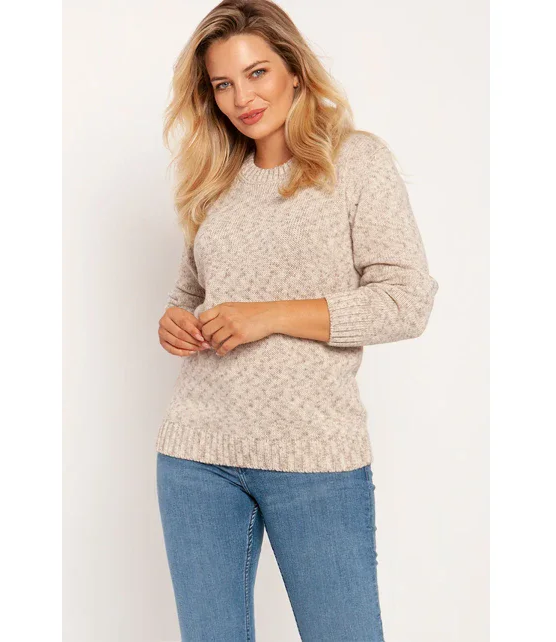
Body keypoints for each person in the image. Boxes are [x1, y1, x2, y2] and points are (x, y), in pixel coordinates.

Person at [154, 1, 439, 640]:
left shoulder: (356, 161)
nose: (242, 99)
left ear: (295, 69)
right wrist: (175, 319)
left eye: (257, 73)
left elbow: (406, 300)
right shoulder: (215, 176)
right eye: (222, 84)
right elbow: (189, 290)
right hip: (196, 454)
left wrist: (270, 316)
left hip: (314, 455)